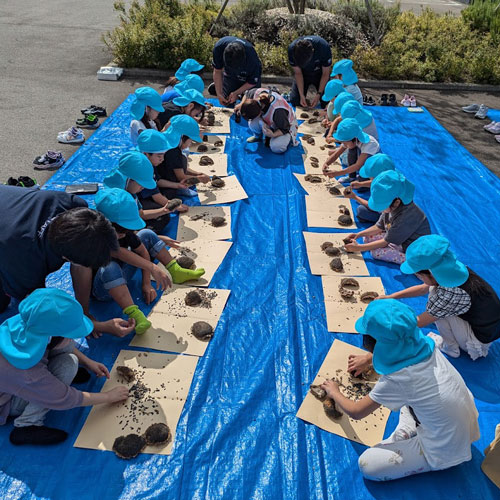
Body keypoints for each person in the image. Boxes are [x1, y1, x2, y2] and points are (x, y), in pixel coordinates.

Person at [322, 299, 479, 481]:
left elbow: (356, 412)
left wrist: (334, 391)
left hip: (444, 449)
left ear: (376, 345)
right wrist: (368, 359)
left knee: (367, 465)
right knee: (412, 397)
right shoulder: (425, 343)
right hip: (464, 424)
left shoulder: (399, 379)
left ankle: (410, 437)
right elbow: (400, 343)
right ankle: (408, 430)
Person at [0, 185, 134, 338]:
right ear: (66, 257)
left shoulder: (74, 207)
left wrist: (84, 313)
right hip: (10, 242)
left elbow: (81, 266)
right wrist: (96, 326)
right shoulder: (25, 263)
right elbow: (40, 309)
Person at [0, 288, 130, 446]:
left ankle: (58, 376)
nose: (73, 338)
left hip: (15, 379)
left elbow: (59, 342)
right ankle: (27, 424)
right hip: (6, 401)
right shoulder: (28, 373)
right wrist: (109, 397)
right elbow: (65, 397)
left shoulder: (29, 322)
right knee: (68, 365)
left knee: (70, 361)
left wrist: (88, 362)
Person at [93, 189, 205, 334]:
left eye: (126, 229)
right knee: (109, 267)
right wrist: (85, 314)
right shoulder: (94, 237)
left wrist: (146, 283)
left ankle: (176, 271)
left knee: (147, 233)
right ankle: (135, 315)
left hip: (123, 276)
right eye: (120, 229)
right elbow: (119, 253)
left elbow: (142, 251)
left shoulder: (124, 233)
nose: (123, 233)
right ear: (104, 223)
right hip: (105, 288)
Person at [377, 235, 500, 360]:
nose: (418, 278)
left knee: (435, 303)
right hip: (486, 327)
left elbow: (419, 321)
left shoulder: (451, 293)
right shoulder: (452, 270)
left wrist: (389, 330)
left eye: (418, 275)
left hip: (477, 340)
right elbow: (423, 288)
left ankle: (451, 348)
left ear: (430, 273)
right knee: (433, 292)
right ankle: (454, 336)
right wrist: (392, 296)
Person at [344, 170, 431, 264]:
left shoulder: (406, 217)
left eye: (382, 205)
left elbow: (385, 242)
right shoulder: (391, 206)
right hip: (398, 237)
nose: (381, 210)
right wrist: (359, 234)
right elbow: (378, 226)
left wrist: (359, 248)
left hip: (410, 246)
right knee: (367, 238)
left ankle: (411, 261)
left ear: (396, 202)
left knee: (376, 253)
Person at [104, 144, 184, 234]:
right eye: (141, 184)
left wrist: (164, 210)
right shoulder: (117, 199)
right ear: (130, 179)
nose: (143, 187)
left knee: (163, 216)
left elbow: (140, 214)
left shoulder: (130, 188)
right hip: (116, 234)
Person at [157, 119, 210, 198]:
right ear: (182, 137)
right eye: (190, 141)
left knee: (183, 158)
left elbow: (178, 167)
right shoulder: (173, 151)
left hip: (161, 177)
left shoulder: (169, 140)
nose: (190, 144)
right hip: (163, 185)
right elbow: (181, 177)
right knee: (171, 194)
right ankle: (179, 190)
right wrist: (200, 179)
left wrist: (197, 174)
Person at [235, 88, 298, 154]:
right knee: (252, 124)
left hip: (286, 125)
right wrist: (241, 105)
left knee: (276, 147)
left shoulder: (277, 110)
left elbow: (285, 128)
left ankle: (287, 138)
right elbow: (246, 94)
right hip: (272, 121)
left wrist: (273, 134)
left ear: (260, 112)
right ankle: (258, 137)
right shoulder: (256, 94)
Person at [323, 118, 380, 183]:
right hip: (361, 161)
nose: (343, 144)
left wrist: (338, 173)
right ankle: (352, 176)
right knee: (351, 150)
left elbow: (358, 165)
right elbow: (336, 154)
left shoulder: (370, 144)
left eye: (345, 142)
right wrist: (326, 163)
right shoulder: (351, 140)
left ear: (354, 138)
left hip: (373, 166)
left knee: (361, 185)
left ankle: (363, 177)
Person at [209, 36, 262, 106]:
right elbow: (217, 71)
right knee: (227, 100)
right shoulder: (219, 48)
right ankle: (222, 85)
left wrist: (237, 93)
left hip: (248, 77)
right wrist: (219, 93)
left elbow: (252, 82)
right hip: (230, 76)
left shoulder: (252, 59)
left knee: (251, 105)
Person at [344, 153, 395, 223]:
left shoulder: (382, 191)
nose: (369, 177)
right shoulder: (392, 176)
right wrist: (360, 184)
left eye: (370, 175)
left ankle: (382, 225)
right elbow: (374, 182)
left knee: (361, 211)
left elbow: (373, 207)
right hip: (398, 212)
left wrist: (355, 197)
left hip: (391, 217)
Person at [288, 35, 332, 108]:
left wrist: (319, 94)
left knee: (327, 101)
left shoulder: (323, 47)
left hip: (320, 74)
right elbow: (298, 73)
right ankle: (302, 98)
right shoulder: (292, 49)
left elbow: (325, 73)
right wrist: (301, 95)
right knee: (295, 100)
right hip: (303, 74)